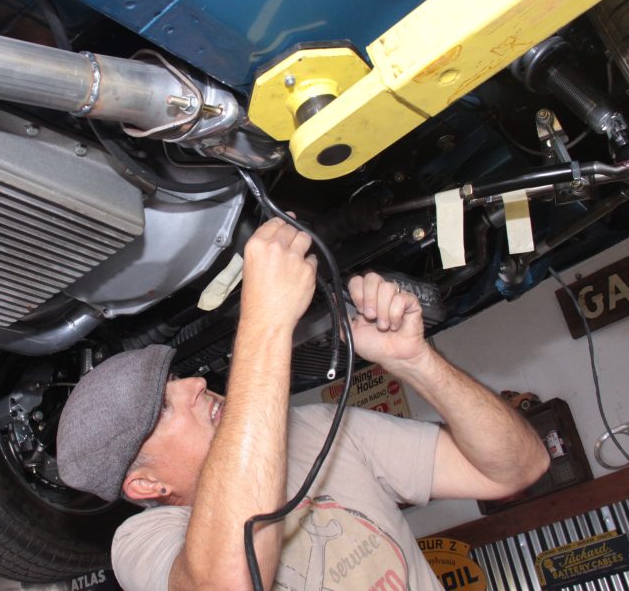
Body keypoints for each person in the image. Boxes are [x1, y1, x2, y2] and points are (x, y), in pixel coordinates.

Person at [57, 217, 549, 590]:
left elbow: (519, 468)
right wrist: (265, 320)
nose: (196, 385)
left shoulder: (317, 430)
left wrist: (417, 362)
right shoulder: (144, 542)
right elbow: (228, 583)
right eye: (164, 408)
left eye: (178, 379)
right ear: (147, 485)